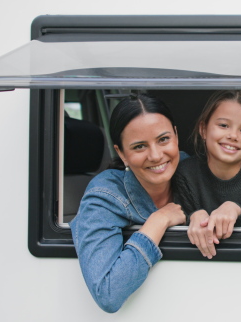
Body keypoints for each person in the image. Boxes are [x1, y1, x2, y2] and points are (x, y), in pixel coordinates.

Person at [70, 94, 187, 313]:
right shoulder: (104, 195)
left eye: (163, 139)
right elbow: (108, 293)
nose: (155, 155)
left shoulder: (192, 169)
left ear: (176, 136)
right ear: (121, 153)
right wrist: (160, 219)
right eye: (139, 147)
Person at [176, 90, 241, 259]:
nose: (233, 136)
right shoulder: (185, 173)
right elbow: (178, 230)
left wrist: (237, 210)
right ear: (203, 130)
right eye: (224, 125)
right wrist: (193, 218)